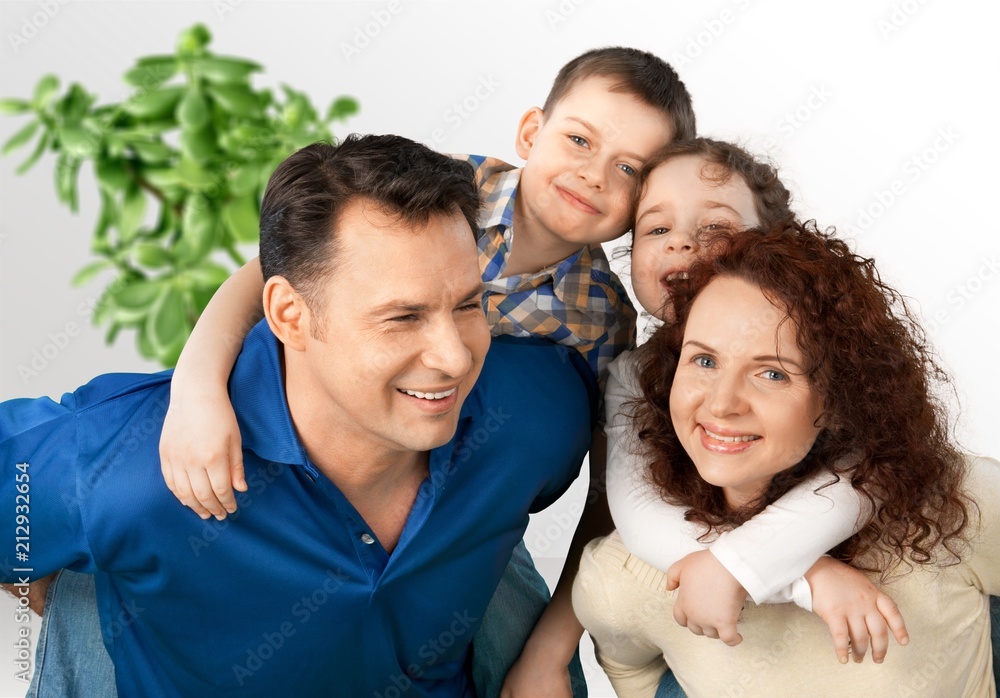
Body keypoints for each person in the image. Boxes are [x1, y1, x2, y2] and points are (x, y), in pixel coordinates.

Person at [158, 46, 696, 696]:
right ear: (532, 130)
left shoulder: (601, 316)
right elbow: (264, 277)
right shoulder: (440, 195)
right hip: (299, 446)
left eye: (629, 169)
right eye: (578, 139)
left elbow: (607, 491)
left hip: (455, 506)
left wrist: (551, 651)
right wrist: (195, 392)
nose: (592, 175)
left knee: (523, 658)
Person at [0, 134, 596, 697]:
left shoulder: (534, 413)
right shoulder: (129, 464)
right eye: (402, 318)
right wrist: (82, 606)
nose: (455, 356)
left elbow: (634, 475)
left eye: (467, 305)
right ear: (288, 315)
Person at [503, 139, 907, 697]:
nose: (684, 243)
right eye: (656, 229)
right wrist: (806, 577)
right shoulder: (631, 377)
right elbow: (633, 511)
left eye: (715, 229)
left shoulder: (822, 348)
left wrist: (748, 566)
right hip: (713, 629)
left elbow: (869, 473)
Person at [573, 219, 998, 696]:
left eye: (772, 373)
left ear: (837, 399)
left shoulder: (953, 506)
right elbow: (631, 671)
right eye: (705, 361)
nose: (721, 404)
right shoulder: (620, 580)